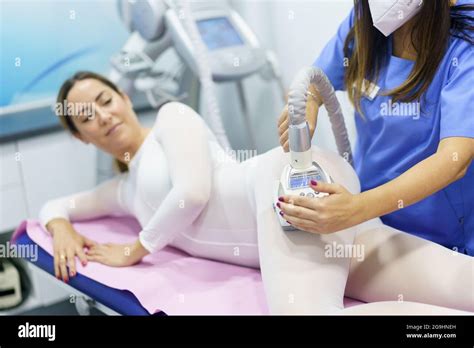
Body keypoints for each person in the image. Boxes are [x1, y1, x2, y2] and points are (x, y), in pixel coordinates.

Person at [39, 71, 473, 314]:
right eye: (85, 116)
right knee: (461, 286)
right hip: (317, 232)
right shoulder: (121, 190)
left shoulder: (172, 118)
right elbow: (57, 205)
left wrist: (136, 248)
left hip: (286, 190)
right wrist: (60, 228)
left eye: (104, 99)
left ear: (125, 99)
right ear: (81, 137)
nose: (101, 114)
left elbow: (192, 191)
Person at [277, 0, 474, 255]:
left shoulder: (464, 47)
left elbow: (453, 160)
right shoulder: (368, 19)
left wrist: (356, 209)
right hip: (370, 224)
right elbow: (314, 82)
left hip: (440, 240)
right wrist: (309, 103)